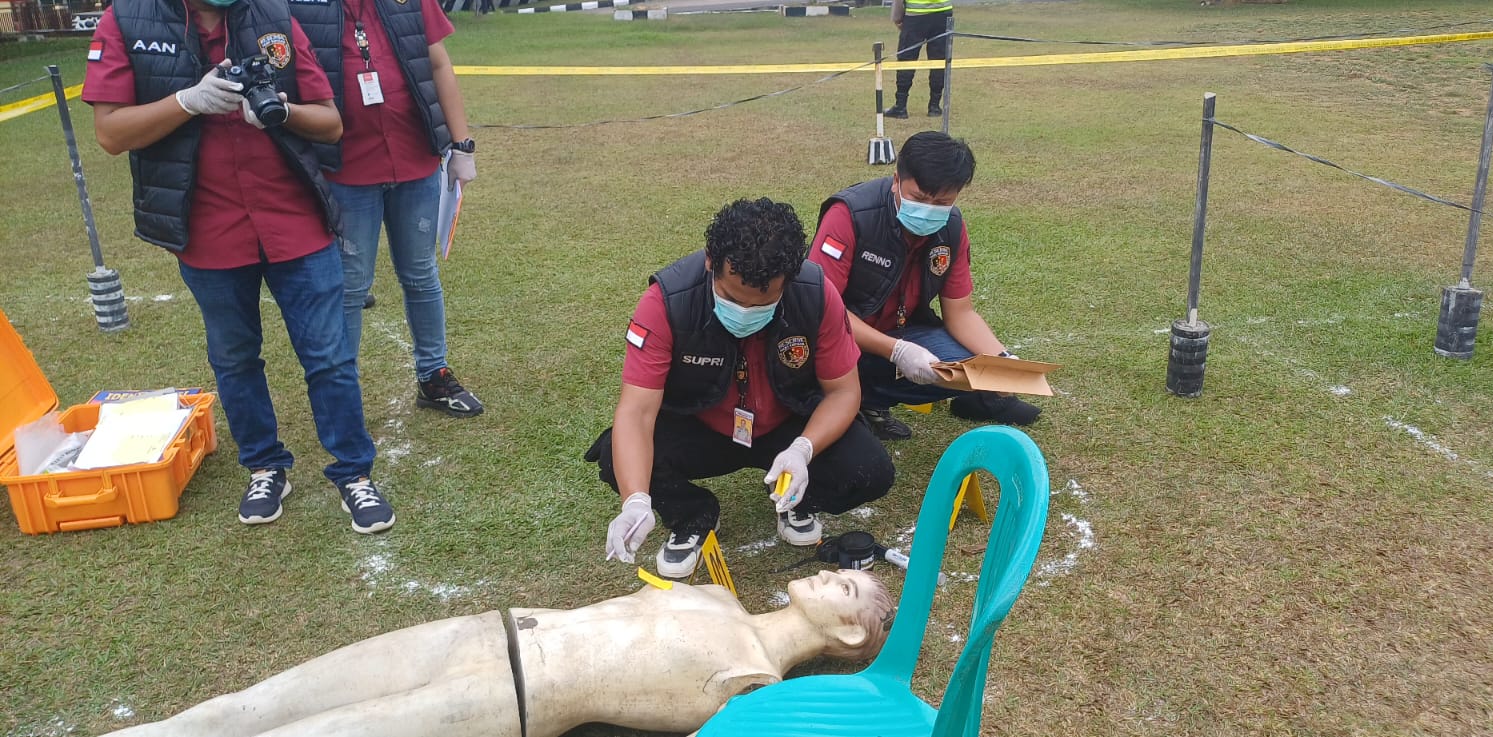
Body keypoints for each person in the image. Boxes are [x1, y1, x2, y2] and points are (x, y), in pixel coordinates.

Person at [84, 0, 395, 533]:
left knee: (329, 357)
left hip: (295, 221)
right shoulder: (127, 21)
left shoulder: (273, 16)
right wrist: (187, 100)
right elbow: (112, 134)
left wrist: (281, 110)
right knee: (234, 359)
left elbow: (330, 123)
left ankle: (353, 473)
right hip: (207, 230)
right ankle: (265, 466)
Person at [99, 569, 896, 737]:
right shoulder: (717, 597)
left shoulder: (753, 690)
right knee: (244, 706)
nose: (834, 573)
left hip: (509, 700)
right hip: (493, 628)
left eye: (850, 590)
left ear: (850, 634)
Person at [586, 198, 895, 578]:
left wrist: (802, 449)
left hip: (786, 422)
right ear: (709, 261)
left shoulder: (815, 293)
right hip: (702, 426)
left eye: (764, 303)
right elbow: (636, 412)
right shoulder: (666, 302)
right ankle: (693, 513)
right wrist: (635, 499)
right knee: (614, 456)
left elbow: (844, 392)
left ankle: (792, 493)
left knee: (869, 470)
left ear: (790, 279)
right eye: (732, 298)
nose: (746, 311)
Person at [290, 0, 484, 418]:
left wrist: (461, 144)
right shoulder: (302, 7)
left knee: (421, 274)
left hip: (415, 163)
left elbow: (439, 66)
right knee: (351, 287)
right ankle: (344, 390)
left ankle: (434, 375)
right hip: (345, 172)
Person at [809, 131, 1041, 442]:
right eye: (919, 198)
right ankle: (851, 401)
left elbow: (961, 314)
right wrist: (898, 351)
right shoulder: (850, 215)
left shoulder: (952, 227)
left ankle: (875, 402)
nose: (930, 209)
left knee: (966, 365)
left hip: (904, 329)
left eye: (943, 201)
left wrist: (1002, 360)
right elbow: (822, 310)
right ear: (896, 181)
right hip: (840, 334)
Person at [885, 0, 952, 119]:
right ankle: (934, 106)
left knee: (906, 59)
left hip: (915, 15)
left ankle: (901, 106)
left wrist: (897, 18)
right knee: (938, 61)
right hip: (943, 13)